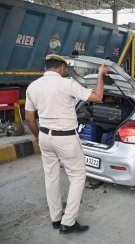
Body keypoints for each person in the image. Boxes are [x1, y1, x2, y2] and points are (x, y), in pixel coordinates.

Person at [25, 54, 107, 234]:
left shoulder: (32, 87)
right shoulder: (67, 84)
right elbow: (98, 97)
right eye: (65, 69)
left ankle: (55, 219)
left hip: (45, 136)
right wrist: (100, 75)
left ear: (46, 68)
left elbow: (29, 118)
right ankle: (68, 222)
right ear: (62, 68)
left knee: (51, 177)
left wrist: (38, 135)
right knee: (77, 176)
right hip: (66, 138)